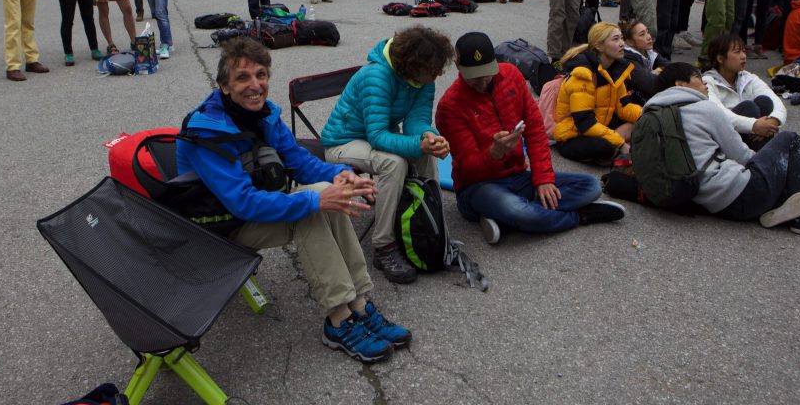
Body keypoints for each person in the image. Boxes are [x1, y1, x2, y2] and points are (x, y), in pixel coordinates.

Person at [175, 38, 410, 363]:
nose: (255, 85)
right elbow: (241, 203)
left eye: (261, 75)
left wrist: (340, 175)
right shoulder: (207, 132)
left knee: (330, 196)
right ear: (224, 86)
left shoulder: (265, 114)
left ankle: (360, 304)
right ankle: (339, 319)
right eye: (243, 78)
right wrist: (317, 199)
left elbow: (299, 161)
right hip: (222, 226)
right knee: (312, 205)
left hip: (256, 208)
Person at [435, 31, 625, 245]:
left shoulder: (511, 75)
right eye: (474, 77)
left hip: (518, 176)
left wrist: (543, 179)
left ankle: (509, 220)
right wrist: (494, 153)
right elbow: (468, 168)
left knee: (591, 186)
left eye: (486, 73)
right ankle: (580, 216)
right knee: (516, 209)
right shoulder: (450, 106)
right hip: (478, 186)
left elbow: (535, 130)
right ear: (458, 66)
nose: (481, 82)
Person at [322, 26, 455, 284]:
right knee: (393, 163)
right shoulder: (377, 76)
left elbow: (416, 120)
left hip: (375, 137)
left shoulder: (422, 77)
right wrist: (418, 145)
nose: (436, 75)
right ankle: (383, 247)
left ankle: (432, 224)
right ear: (412, 64)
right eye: (433, 70)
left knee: (426, 153)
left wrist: (429, 136)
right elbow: (378, 136)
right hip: (342, 142)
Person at [647, 63, 800, 234]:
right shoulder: (705, 109)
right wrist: (770, 163)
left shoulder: (651, 115)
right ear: (680, 84)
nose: (704, 82)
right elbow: (741, 156)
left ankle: (783, 202)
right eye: (697, 77)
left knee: (748, 108)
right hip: (742, 198)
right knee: (790, 139)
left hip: (699, 200)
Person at [552, 22, 642, 163]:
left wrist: (648, 114)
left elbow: (623, 107)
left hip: (601, 126)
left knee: (643, 125)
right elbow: (585, 123)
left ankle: (619, 148)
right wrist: (620, 143)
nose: (622, 44)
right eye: (615, 39)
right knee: (605, 147)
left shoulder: (616, 68)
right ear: (599, 46)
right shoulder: (583, 75)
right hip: (575, 134)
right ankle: (618, 152)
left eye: (621, 38)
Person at [702, 34, 786, 148]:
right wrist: (754, 125)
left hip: (751, 135)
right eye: (737, 52)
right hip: (725, 141)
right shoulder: (707, 82)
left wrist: (773, 121)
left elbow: (777, 103)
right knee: (748, 107)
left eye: (744, 51)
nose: (743, 56)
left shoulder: (747, 77)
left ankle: (761, 157)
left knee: (765, 101)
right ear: (720, 58)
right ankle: (763, 159)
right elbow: (719, 115)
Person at [620, 19, 665, 102]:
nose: (649, 37)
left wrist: (659, 69)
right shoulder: (628, 59)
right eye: (642, 34)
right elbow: (653, 85)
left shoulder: (648, 52)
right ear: (630, 42)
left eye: (647, 32)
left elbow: (669, 66)